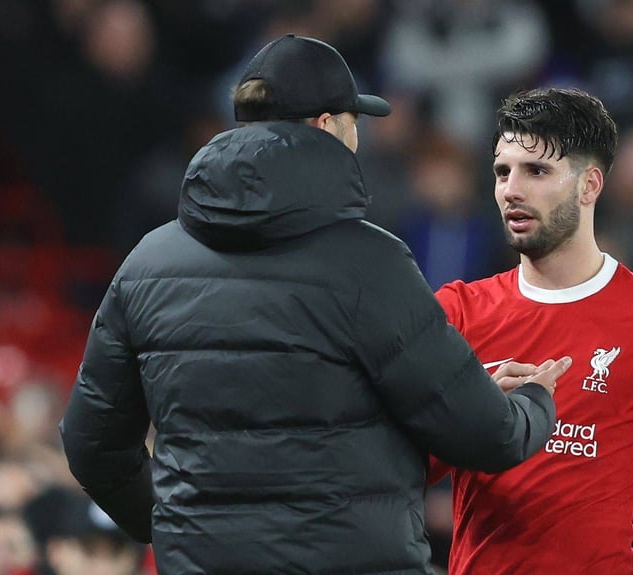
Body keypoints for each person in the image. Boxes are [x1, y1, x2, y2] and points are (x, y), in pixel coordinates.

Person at [59, 34, 571, 575]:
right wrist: (534, 403)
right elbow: (485, 435)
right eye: (354, 120)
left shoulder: (147, 262)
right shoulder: (370, 262)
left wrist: (169, 527)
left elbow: (92, 445)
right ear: (327, 126)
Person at [429, 88, 633, 574]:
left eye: (536, 171)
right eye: (503, 171)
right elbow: (393, 471)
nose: (511, 190)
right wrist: (473, 419)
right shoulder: (456, 310)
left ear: (589, 185)